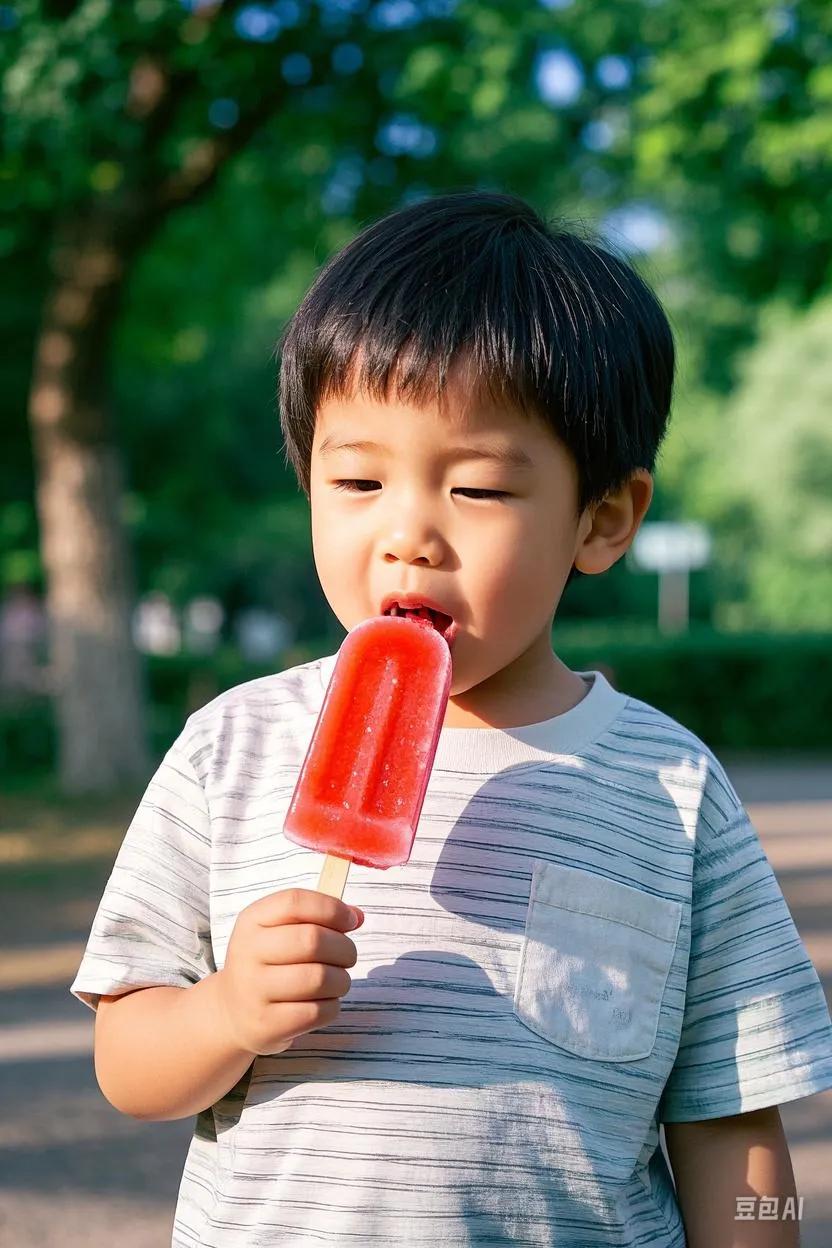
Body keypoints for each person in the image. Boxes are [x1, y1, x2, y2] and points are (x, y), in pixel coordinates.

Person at [71, 191, 832, 1247]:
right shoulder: (232, 747)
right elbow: (129, 1062)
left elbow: (734, 1123)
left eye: (474, 489)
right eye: (356, 478)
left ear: (602, 520)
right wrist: (224, 1014)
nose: (407, 534)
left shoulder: (670, 788)